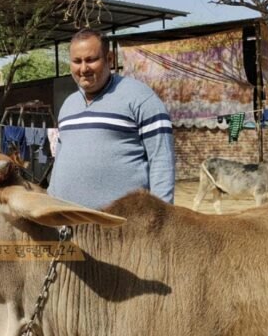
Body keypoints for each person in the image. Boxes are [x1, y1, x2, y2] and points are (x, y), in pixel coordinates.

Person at [48, 28, 175, 210]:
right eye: (77, 61)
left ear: (109, 59)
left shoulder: (141, 98)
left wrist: (161, 221)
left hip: (121, 229)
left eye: (91, 60)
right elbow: (60, 159)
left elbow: (162, 162)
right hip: (68, 223)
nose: (83, 69)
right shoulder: (68, 105)